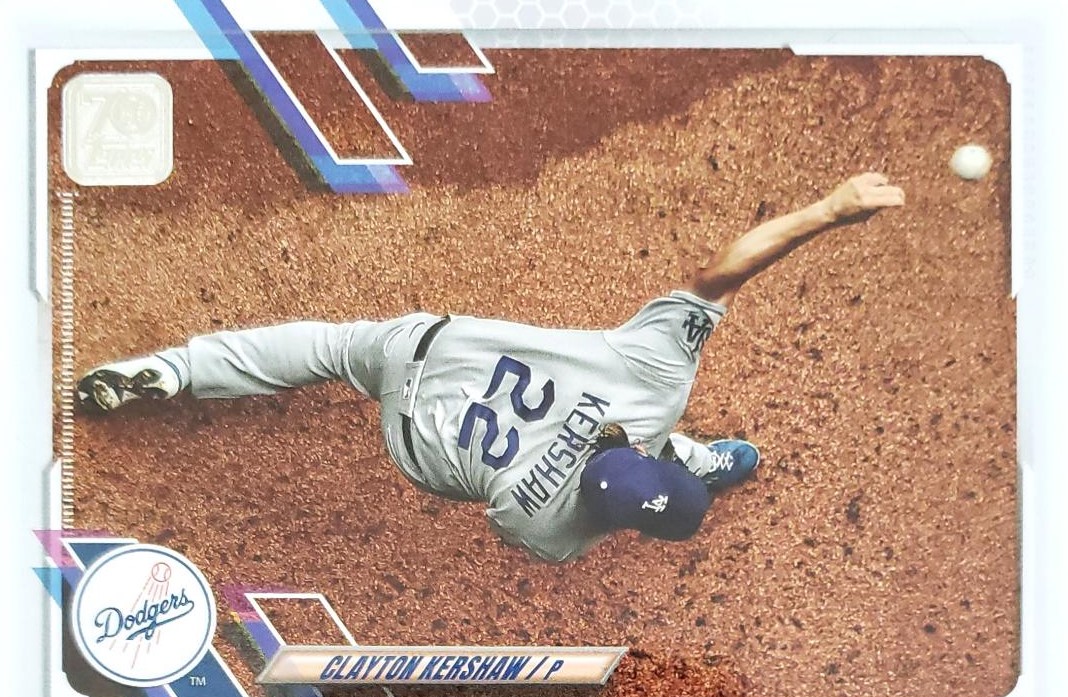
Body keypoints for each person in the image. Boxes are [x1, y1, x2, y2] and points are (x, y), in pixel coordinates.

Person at [78, 173, 904, 562]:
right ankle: (697, 463)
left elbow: (718, 274)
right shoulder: (550, 530)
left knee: (328, 345)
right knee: (449, 442)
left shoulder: (654, 379)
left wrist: (829, 210)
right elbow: (521, 506)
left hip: (432, 347)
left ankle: (174, 369)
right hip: (415, 445)